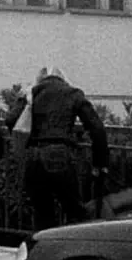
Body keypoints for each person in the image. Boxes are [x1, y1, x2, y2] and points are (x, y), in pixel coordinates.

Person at [8, 66, 110, 231]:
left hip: (33, 158)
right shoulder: (73, 93)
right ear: (63, 79)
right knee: (75, 213)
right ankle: (75, 245)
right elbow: (97, 128)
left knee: (42, 214)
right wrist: (100, 163)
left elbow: (11, 120)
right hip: (60, 155)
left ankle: (45, 245)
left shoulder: (32, 93)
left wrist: (24, 98)